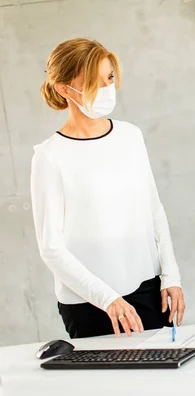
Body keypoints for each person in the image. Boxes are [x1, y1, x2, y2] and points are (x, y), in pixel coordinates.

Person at [31, 38, 185, 339]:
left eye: (109, 78)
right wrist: (107, 299)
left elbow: (154, 211)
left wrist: (171, 275)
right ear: (64, 88)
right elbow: (51, 247)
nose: (106, 88)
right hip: (90, 302)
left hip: (148, 288)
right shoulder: (50, 157)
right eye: (94, 81)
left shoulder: (130, 136)